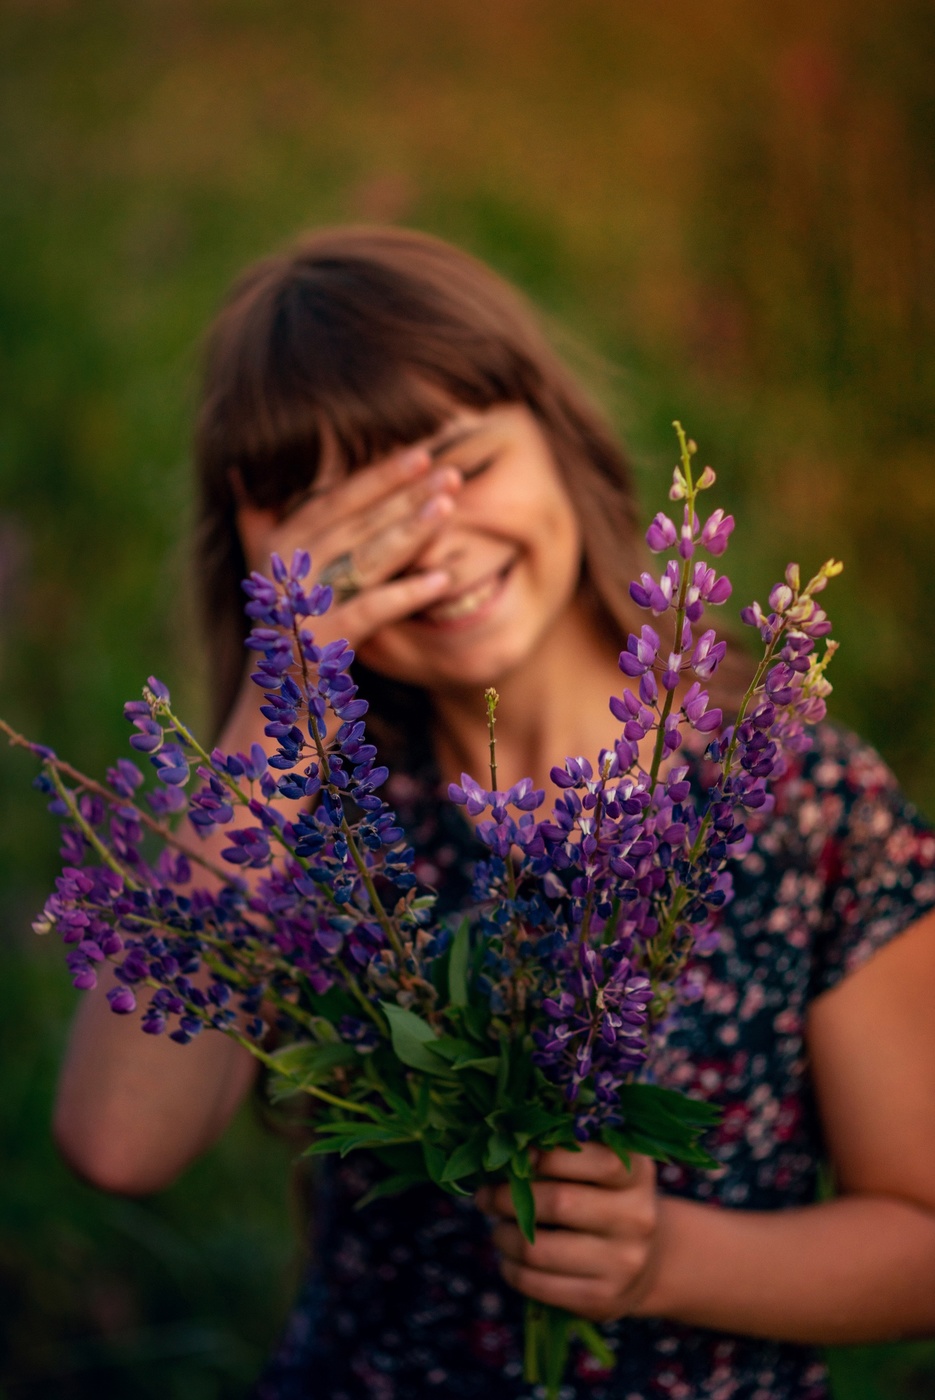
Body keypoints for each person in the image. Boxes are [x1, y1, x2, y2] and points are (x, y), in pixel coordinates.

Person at [53, 226, 935, 1400]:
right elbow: (119, 1141)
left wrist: (664, 1259)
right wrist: (284, 690)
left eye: (460, 462)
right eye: (338, 525)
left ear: (559, 439)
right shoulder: (313, 812)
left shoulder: (799, 798)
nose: (428, 538)